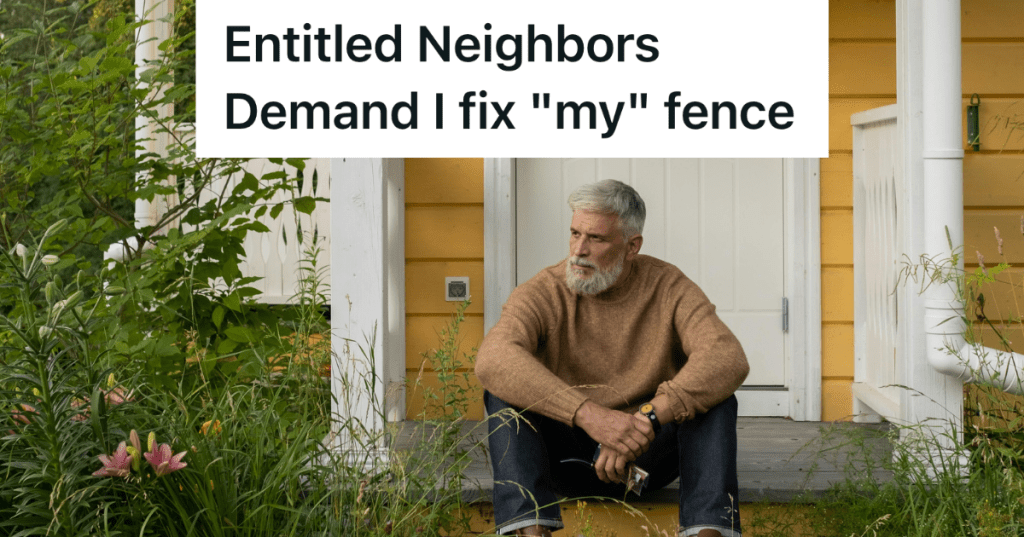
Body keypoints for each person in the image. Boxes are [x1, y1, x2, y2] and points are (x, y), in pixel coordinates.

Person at [475, 179, 749, 537]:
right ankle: (530, 531)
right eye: (575, 234)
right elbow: (492, 359)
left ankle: (707, 532)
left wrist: (647, 419)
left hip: (646, 458)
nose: (579, 249)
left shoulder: (668, 286)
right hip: (565, 458)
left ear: (632, 246)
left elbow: (727, 356)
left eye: (596, 239)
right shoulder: (545, 290)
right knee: (504, 392)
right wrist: (591, 416)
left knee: (716, 398)